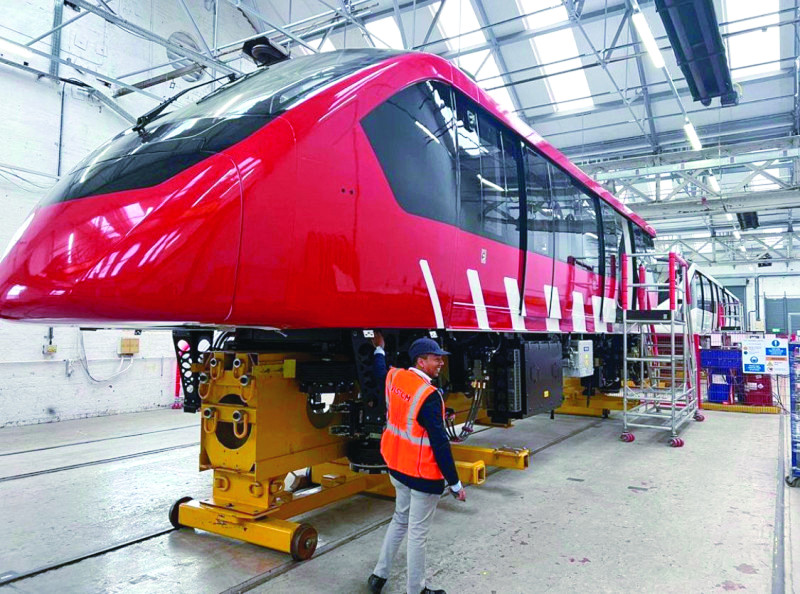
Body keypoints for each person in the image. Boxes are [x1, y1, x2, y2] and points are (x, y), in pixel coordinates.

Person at [367, 334, 465, 594]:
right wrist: (454, 483)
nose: (441, 363)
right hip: (422, 475)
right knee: (417, 534)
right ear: (421, 362)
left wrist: (379, 349)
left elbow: (379, 371)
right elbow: (440, 443)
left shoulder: (395, 377)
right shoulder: (429, 395)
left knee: (399, 520)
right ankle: (416, 590)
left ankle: (379, 575)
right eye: (436, 359)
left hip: (397, 467)